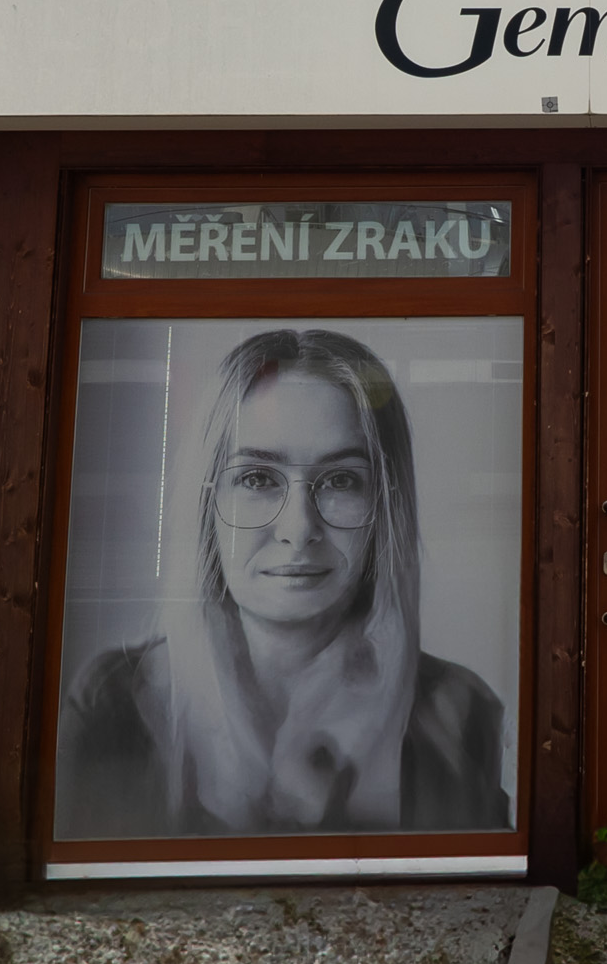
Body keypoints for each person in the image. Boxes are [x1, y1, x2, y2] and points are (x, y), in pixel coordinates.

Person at [60, 328, 507, 837]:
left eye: (341, 480)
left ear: (385, 506)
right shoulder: (114, 702)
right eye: (257, 479)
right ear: (208, 504)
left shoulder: (458, 715)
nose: (298, 529)